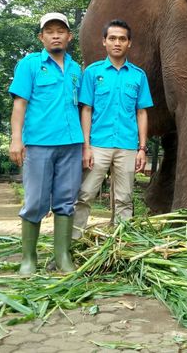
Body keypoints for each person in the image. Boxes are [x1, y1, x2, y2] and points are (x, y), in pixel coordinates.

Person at [8, 12, 83, 274]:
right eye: (49, 31)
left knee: (66, 200)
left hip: (72, 144)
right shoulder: (29, 65)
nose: (55, 35)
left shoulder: (76, 69)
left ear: (69, 36)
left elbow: (83, 107)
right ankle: (28, 259)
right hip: (39, 144)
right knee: (36, 201)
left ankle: (62, 256)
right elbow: (20, 104)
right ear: (41, 37)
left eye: (60, 31)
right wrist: (16, 139)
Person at [73, 19, 153, 238]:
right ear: (104, 42)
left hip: (127, 146)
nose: (117, 43)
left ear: (129, 43)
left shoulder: (138, 75)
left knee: (124, 199)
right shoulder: (92, 72)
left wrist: (142, 149)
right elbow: (86, 110)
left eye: (122, 39)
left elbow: (142, 112)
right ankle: (73, 242)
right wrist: (86, 146)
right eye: (112, 38)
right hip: (98, 144)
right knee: (85, 195)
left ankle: (120, 245)